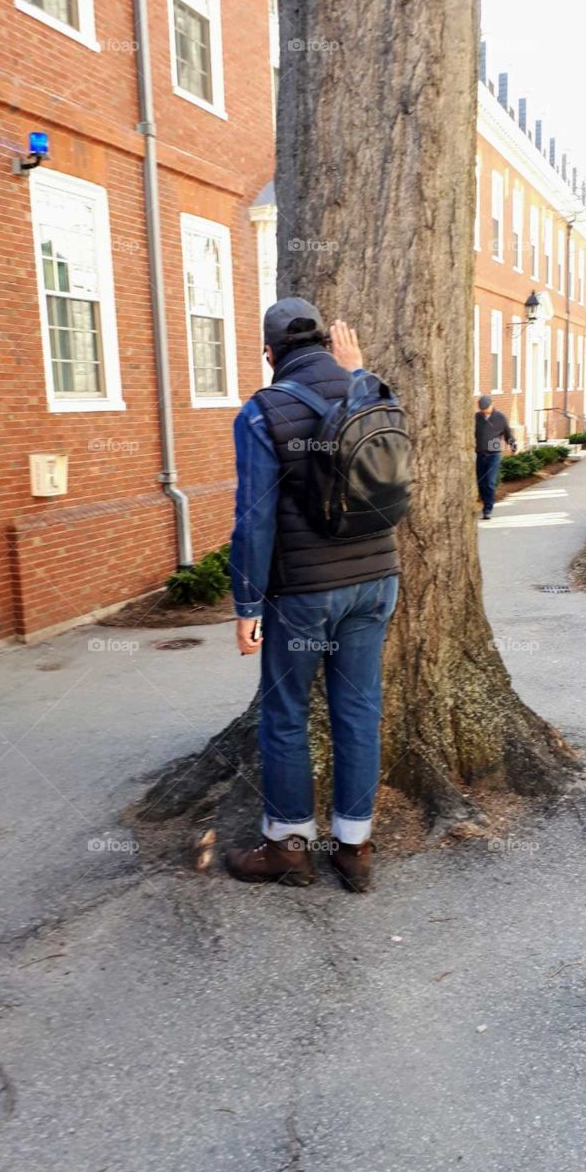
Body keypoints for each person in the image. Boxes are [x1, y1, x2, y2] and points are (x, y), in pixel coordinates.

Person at [225, 299, 400, 893]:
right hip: (377, 581)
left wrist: (247, 605)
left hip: (302, 594)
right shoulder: (371, 390)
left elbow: (254, 520)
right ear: (329, 343)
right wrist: (355, 374)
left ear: (271, 354)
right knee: (358, 711)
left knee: (285, 716)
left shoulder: (261, 412)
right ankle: (354, 849)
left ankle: (289, 848)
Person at [475, 394, 517, 519]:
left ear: (491, 405)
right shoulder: (477, 417)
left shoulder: (500, 418)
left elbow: (508, 434)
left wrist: (512, 444)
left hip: (494, 453)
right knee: (481, 483)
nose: (483, 411)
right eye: (481, 409)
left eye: (485, 408)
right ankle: (485, 503)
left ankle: (487, 509)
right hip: (480, 453)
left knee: (490, 482)